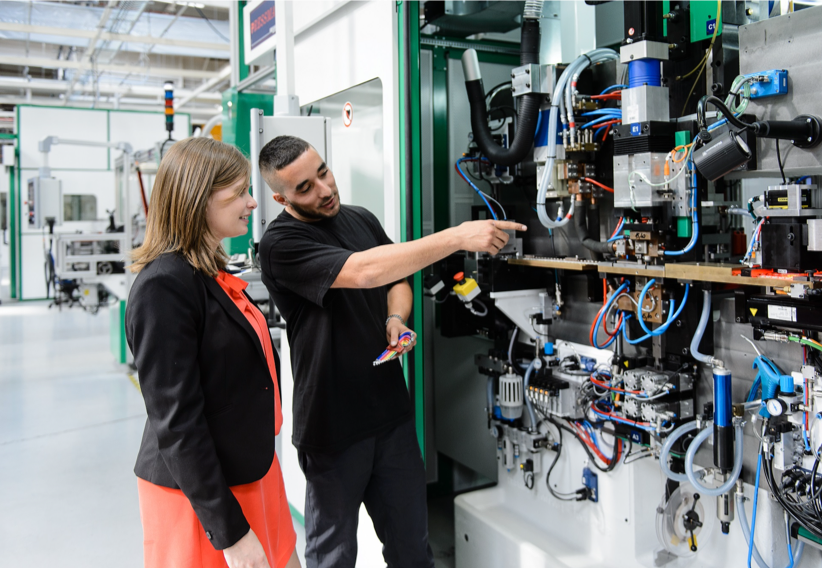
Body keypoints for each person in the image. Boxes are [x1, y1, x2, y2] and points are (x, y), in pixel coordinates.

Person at [257, 135, 525, 567]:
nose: (324, 190)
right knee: (333, 556)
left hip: (390, 417)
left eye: (323, 172)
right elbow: (364, 272)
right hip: (332, 427)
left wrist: (394, 319)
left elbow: (395, 278)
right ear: (281, 198)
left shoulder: (360, 218)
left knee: (412, 551)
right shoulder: (281, 244)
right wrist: (457, 237)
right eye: (304, 187)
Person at [126, 137, 301, 568]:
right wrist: (230, 532)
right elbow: (177, 423)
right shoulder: (164, 287)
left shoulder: (208, 272)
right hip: (202, 493)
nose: (252, 203)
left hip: (250, 469)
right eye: (240, 192)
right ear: (198, 198)